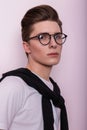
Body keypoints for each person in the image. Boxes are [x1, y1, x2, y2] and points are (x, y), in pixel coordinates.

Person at [0, 5, 69, 130]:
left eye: (57, 36)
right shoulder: (12, 87)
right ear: (27, 46)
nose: (53, 44)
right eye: (43, 37)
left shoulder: (54, 95)